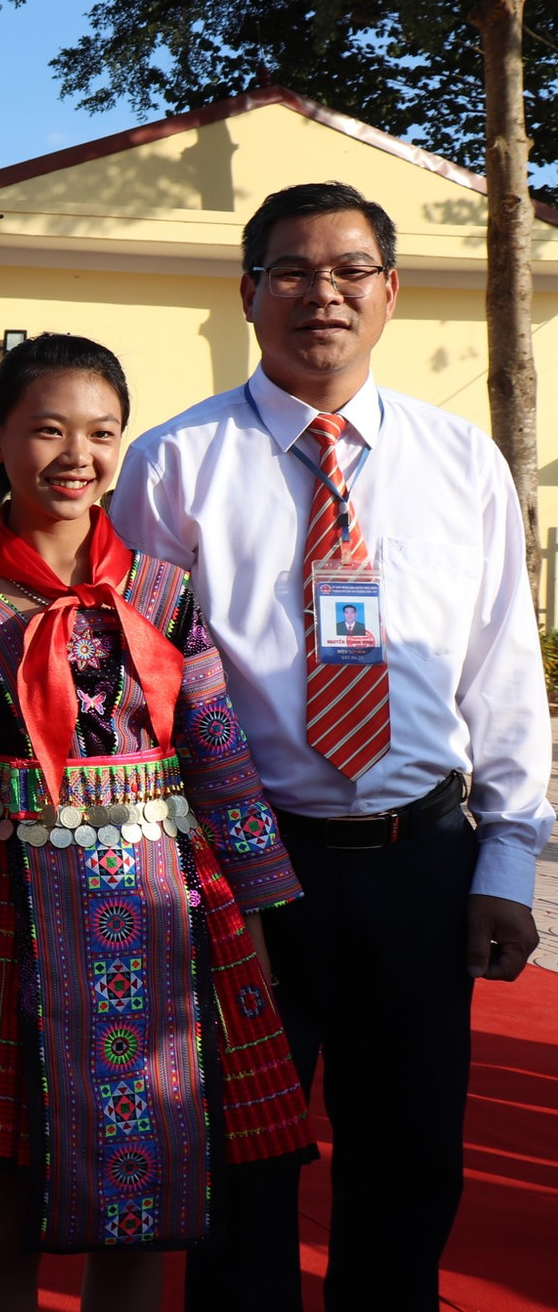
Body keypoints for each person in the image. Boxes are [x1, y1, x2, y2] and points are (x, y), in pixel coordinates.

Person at [111, 180, 553, 1312]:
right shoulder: (172, 466)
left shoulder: (463, 465)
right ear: (249, 293)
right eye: (294, 271)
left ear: (390, 292)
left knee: (411, 1163)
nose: (325, 294)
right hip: (250, 877)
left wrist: (508, 862)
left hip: (423, 863)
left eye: (351, 270)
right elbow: (132, 686)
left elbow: (504, 673)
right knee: (241, 1164)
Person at [0, 334, 312, 1312]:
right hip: (12, 932)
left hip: (169, 925)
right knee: (6, 1189)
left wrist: (258, 928)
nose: (77, 454)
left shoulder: (166, 593)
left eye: (102, 432)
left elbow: (222, 762)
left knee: (154, 1189)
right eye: (48, 429)